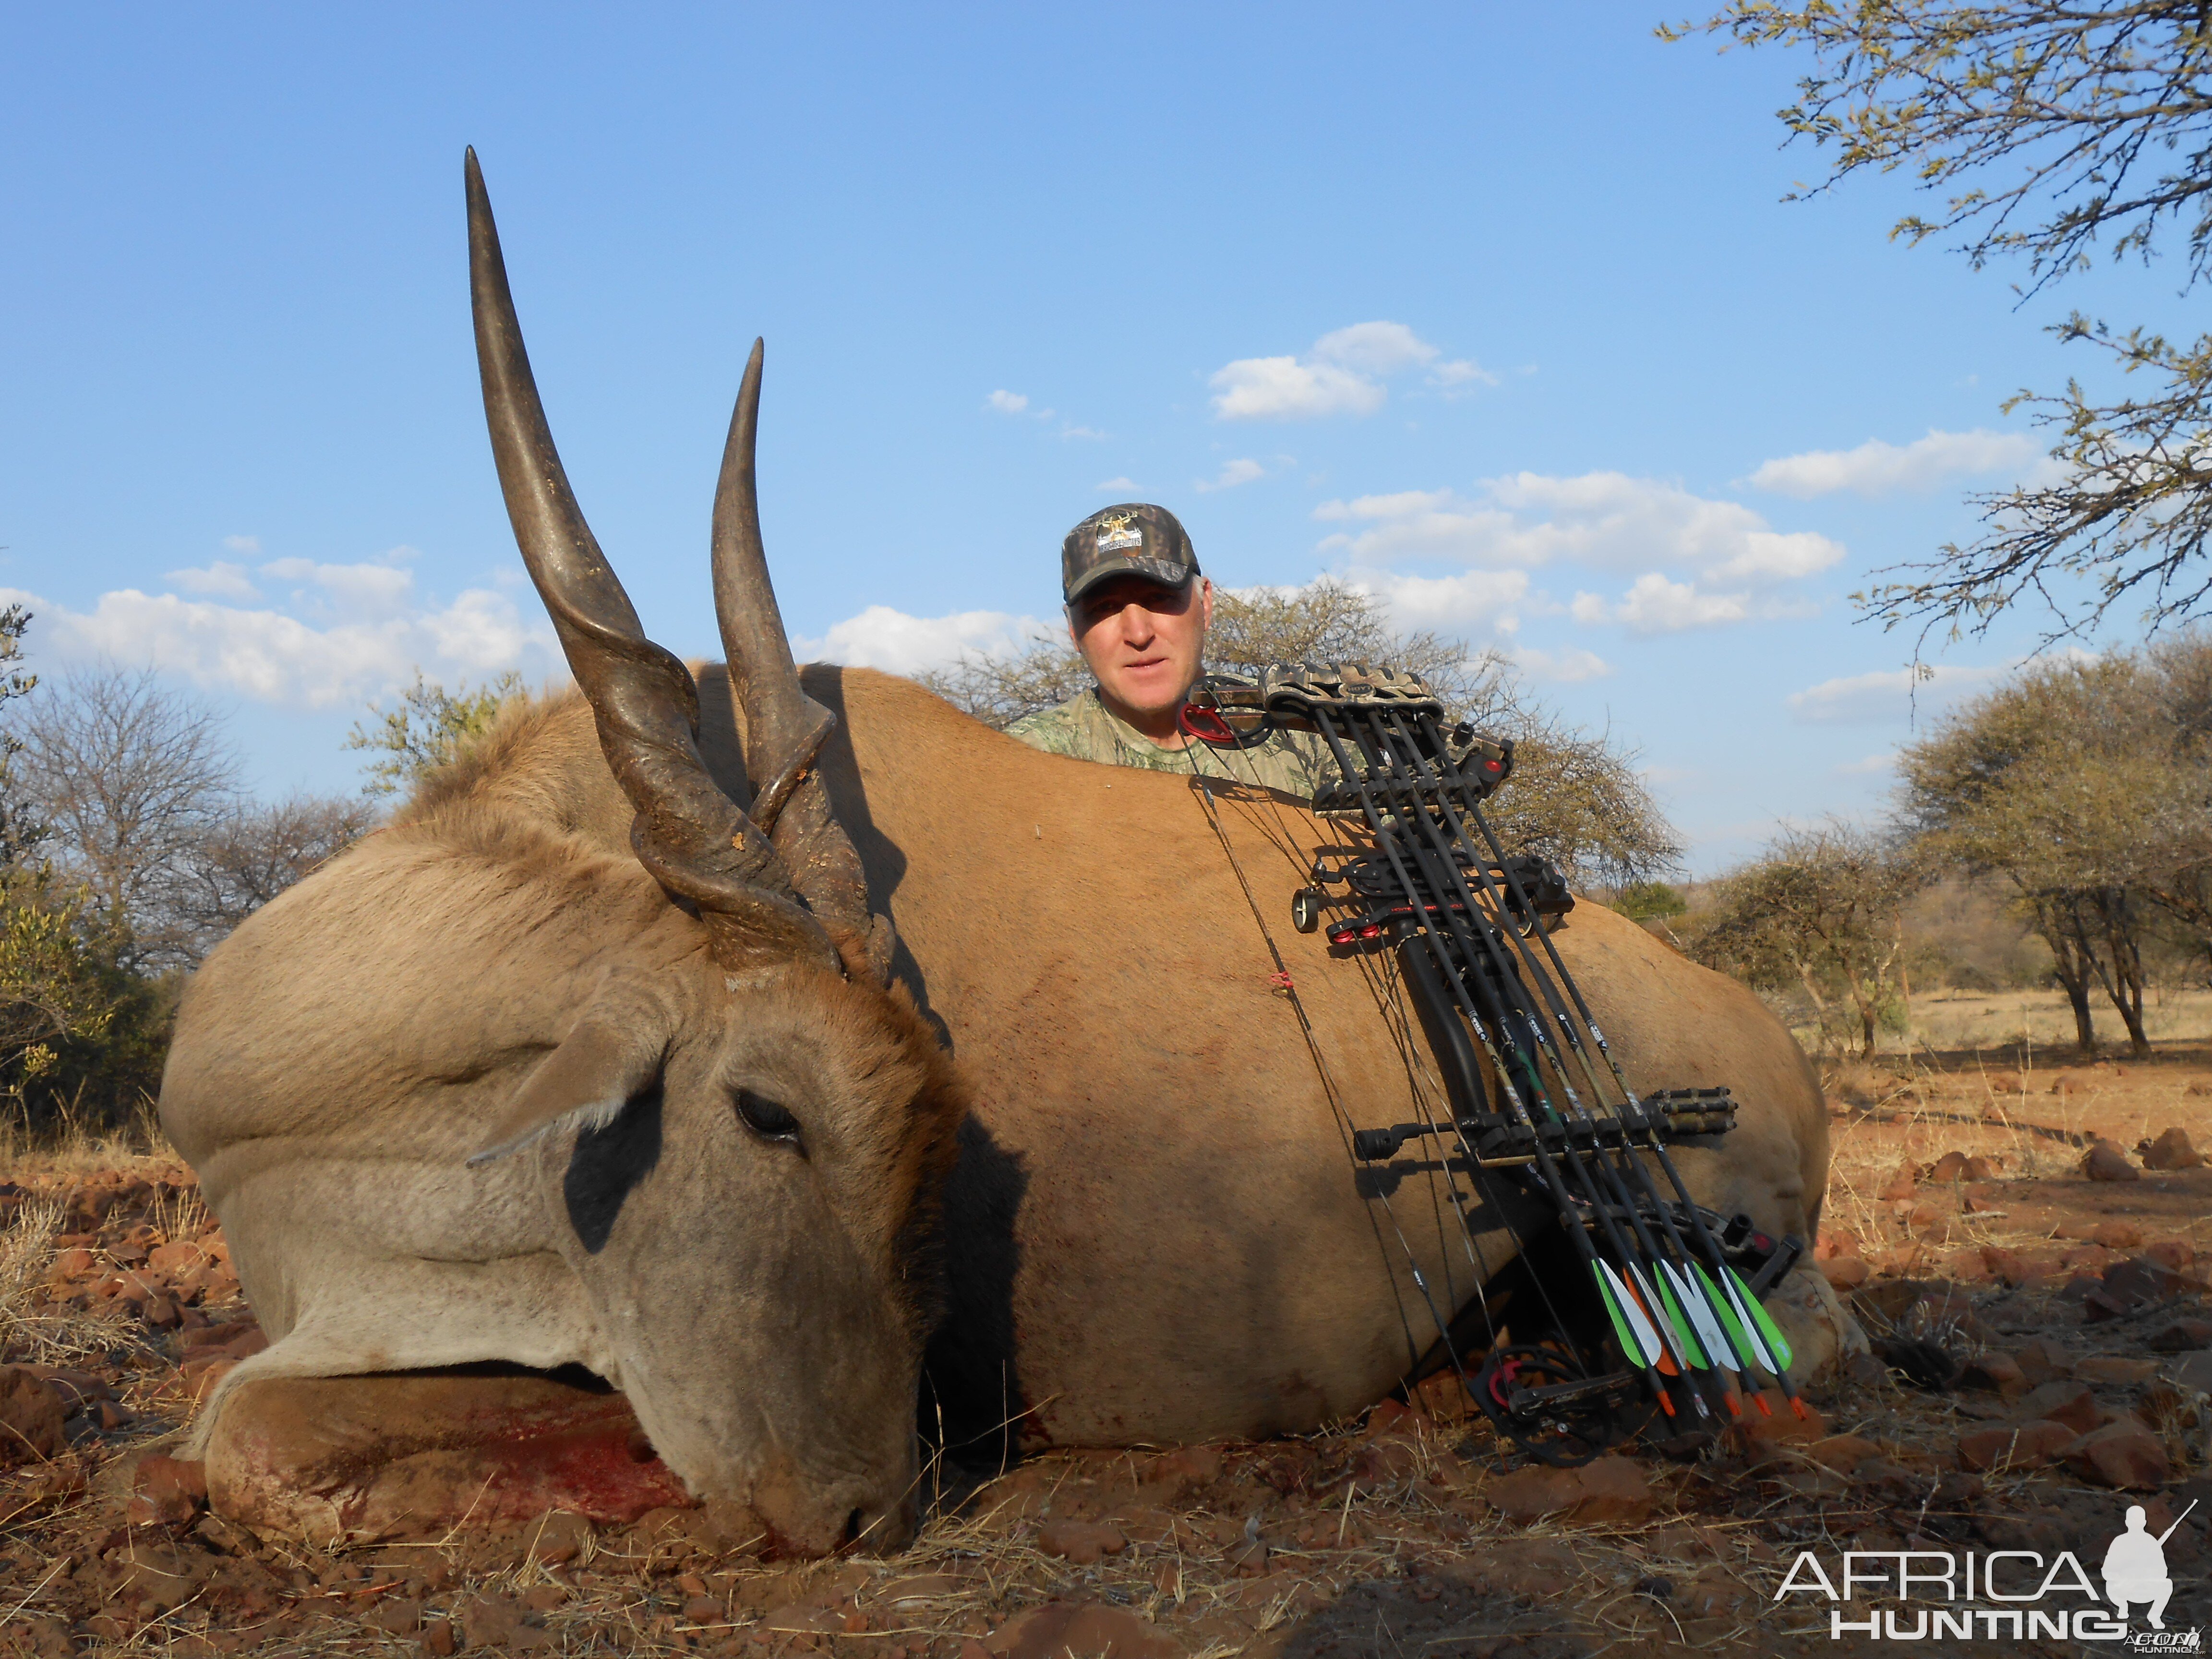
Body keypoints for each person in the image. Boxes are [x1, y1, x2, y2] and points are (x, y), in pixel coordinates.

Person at [1005, 503, 1334, 797]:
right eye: (1104, 608)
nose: (1138, 634)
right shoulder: (1026, 760)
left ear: (1205, 604)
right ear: (1074, 630)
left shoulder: (1309, 731)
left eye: (1160, 598)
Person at [2103, 1504, 2175, 1628]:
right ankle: (2122, 1607)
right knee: (2110, 1584)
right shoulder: (2119, 1542)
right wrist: (2123, 1575)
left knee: (2167, 1584)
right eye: (2133, 1520)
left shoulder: (2151, 1542)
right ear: (2127, 1522)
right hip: (2124, 1588)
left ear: (2144, 1522)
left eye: (2138, 1520)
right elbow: (2107, 1571)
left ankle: (2155, 1616)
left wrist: (2147, 1572)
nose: (2135, 1523)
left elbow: (2163, 1571)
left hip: (2146, 1588)